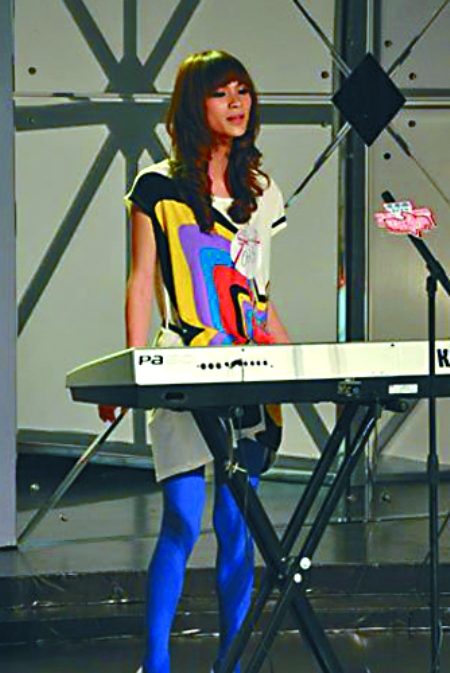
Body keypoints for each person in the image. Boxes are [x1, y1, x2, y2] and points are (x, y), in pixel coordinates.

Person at [99, 49, 289, 673]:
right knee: (181, 519)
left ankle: (231, 662)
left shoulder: (262, 193)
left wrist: (297, 363)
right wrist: (129, 372)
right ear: (193, 104)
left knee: (238, 525)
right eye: (220, 93)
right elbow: (141, 281)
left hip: (252, 375)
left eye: (243, 90)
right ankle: (155, 663)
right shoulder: (156, 187)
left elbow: (260, 295)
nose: (237, 103)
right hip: (185, 366)